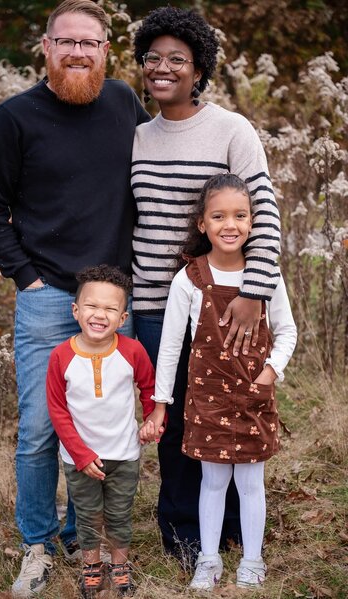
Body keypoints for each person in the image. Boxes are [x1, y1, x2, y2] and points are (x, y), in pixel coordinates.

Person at [0, 0, 150, 596]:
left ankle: (85, 535)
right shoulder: (12, 119)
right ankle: (37, 544)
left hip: (112, 297)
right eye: (66, 42)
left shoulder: (125, 102)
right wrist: (26, 278)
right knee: (42, 428)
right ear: (45, 47)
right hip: (48, 296)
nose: (78, 52)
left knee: (101, 423)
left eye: (90, 43)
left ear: (106, 51)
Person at [132, 6, 281, 561]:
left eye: (179, 59)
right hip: (153, 302)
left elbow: (263, 211)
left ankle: (238, 536)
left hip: (224, 305)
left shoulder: (231, 129)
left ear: (199, 69)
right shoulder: (138, 137)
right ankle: (185, 537)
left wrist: (254, 292)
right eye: (154, 58)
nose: (163, 68)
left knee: (231, 417)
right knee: (173, 425)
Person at [141, 173, 297, 589]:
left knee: (249, 482)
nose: (231, 225)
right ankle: (208, 560)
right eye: (219, 216)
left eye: (240, 215)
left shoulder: (267, 277)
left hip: (253, 397)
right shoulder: (188, 279)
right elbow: (171, 347)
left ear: (252, 222)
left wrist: (270, 371)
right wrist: (161, 402)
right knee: (212, 481)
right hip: (207, 398)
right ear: (202, 224)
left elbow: (288, 332)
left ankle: (252, 560)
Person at [46, 265, 158, 598]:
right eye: (92, 306)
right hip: (80, 459)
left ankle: (120, 565)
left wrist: (153, 419)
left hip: (124, 454)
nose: (100, 314)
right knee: (89, 516)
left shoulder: (132, 351)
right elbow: (57, 409)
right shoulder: (61, 356)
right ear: (76, 311)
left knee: (120, 514)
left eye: (110, 309)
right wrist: (80, 455)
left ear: (123, 318)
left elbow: (149, 387)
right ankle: (92, 566)